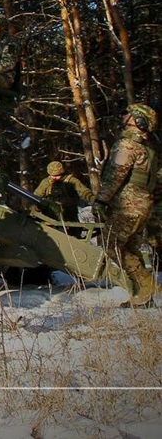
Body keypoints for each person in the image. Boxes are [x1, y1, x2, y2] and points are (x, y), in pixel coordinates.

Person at [95, 103, 159, 307]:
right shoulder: (148, 148)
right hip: (142, 205)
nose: (123, 116)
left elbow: (116, 175)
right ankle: (145, 294)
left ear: (138, 120)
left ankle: (146, 286)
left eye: (127, 113)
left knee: (110, 244)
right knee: (129, 246)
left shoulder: (128, 145)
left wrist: (101, 200)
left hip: (128, 205)